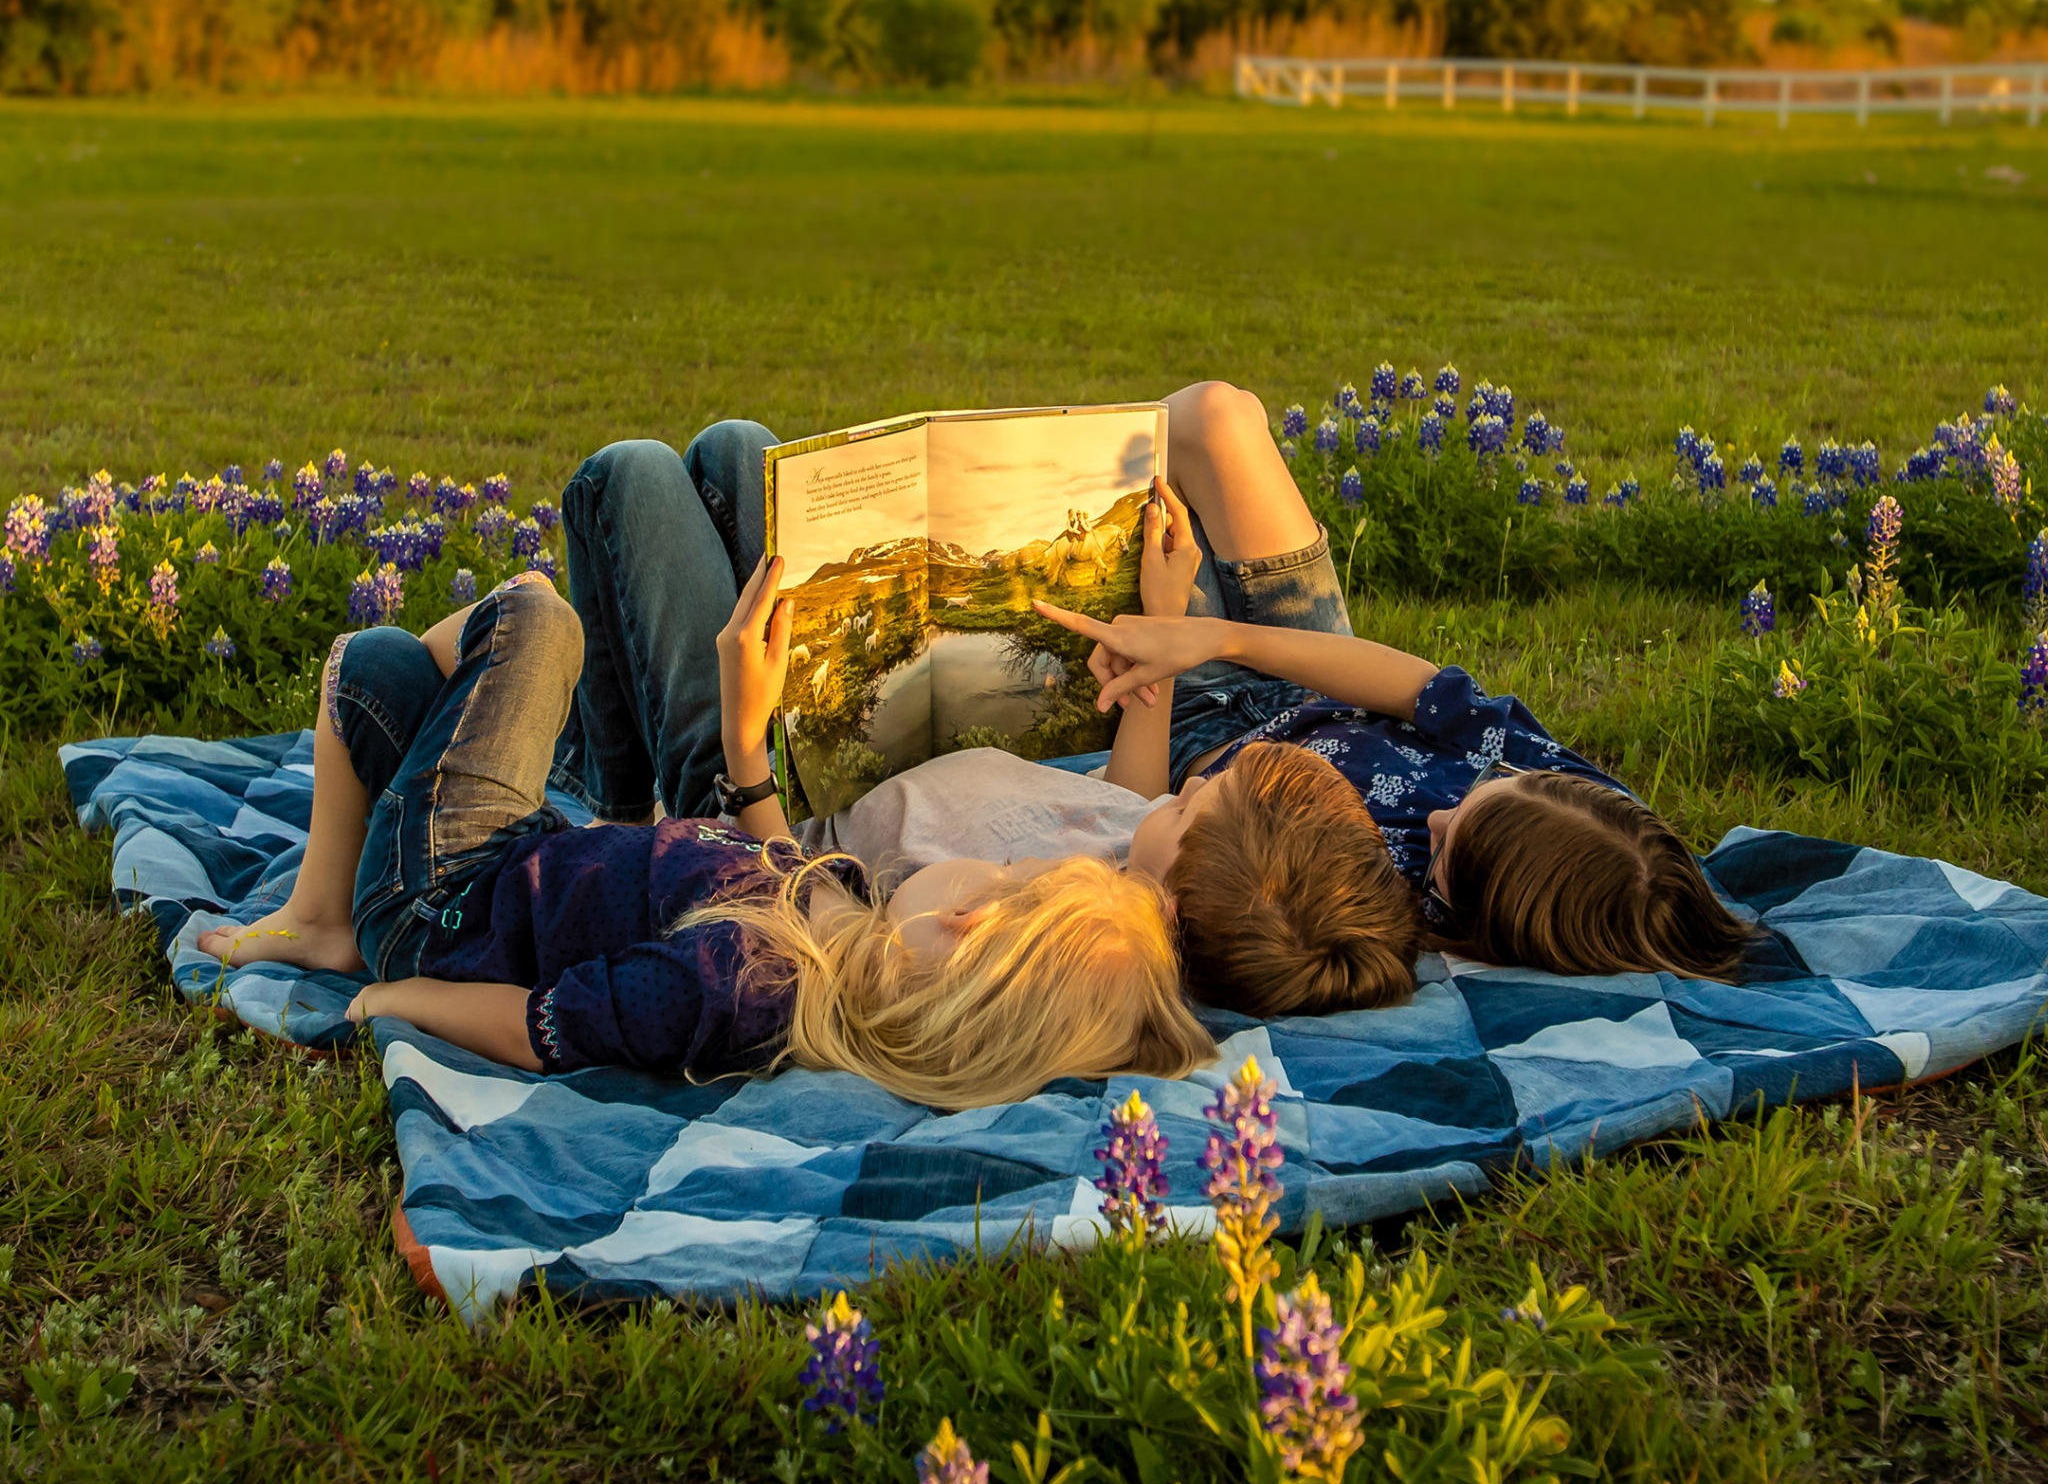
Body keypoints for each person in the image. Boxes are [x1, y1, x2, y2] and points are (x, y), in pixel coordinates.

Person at [194, 569, 1214, 1108]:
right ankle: (332, 908)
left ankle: (339, 921)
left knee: (538, 617)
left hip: (448, 898)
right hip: (517, 852)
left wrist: (395, 994)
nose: (984, 854)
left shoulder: (741, 979)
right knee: (379, 672)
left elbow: (542, 1023)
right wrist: (742, 739)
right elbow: (756, 857)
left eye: (1002, 864)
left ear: (963, 914)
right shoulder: (841, 924)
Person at [555, 426, 1420, 1018]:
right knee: (738, 449)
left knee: (626, 475)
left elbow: (827, 934)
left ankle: (622, 812)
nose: (1194, 781)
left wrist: (746, 751)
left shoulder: (1039, 939)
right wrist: (1153, 632)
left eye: (1198, 806)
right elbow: (1131, 797)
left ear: (1172, 900)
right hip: (853, 735)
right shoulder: (1142, 848)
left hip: (758, 805)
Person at [1044, 381, 1757, 983]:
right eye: (1478, 796)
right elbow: (1414, 687)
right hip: (1314, 662)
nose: (1439, 820)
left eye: (1443, 855)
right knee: (1218, 415)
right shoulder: (1580, 818)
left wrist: (1160, 642)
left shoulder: (1377, 906)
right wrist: (1222, 637)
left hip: (1193, 731)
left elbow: (1139, 821)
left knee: (1099, 543)